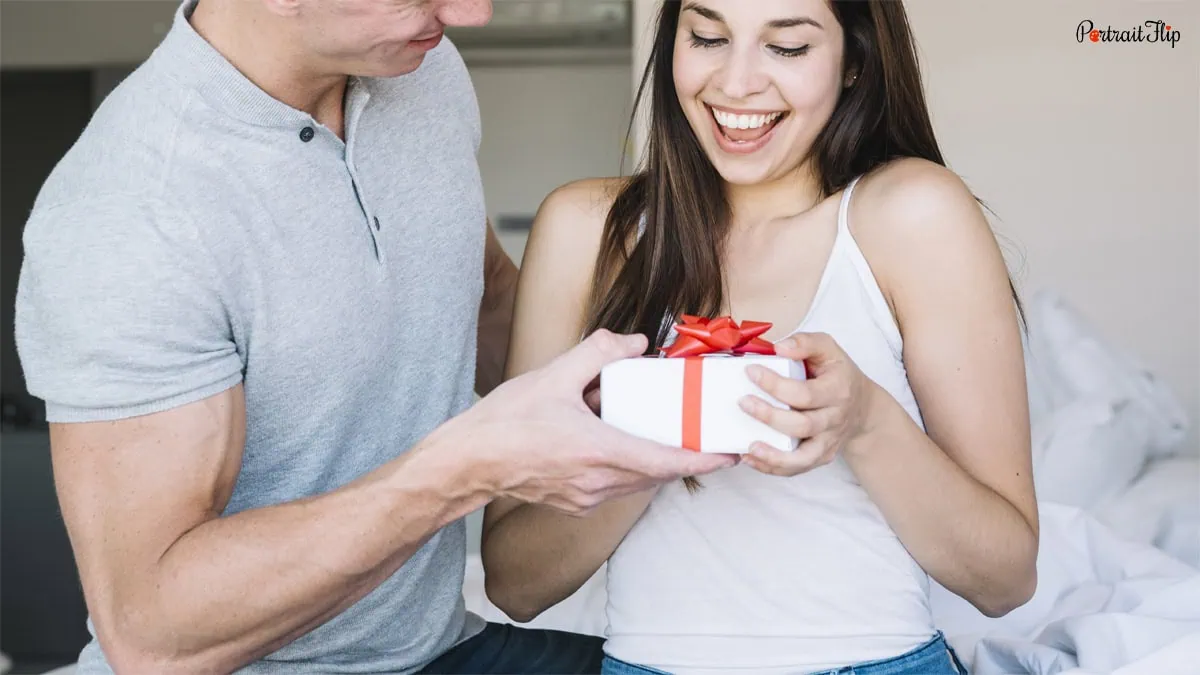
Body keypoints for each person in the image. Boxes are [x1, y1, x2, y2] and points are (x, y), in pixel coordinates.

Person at [12, 0, 739, 673]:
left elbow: (475, 287)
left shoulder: (421, 73)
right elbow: (151, 630)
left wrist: (673, 386)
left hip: (436, 648)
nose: (471, 13)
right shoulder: (131, 211)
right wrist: (463, 471)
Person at [481, 0, 1040, 673]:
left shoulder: (913, 215)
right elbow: (513, 584)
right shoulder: (584, 231)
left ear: (855, 61)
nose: (737, 82)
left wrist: (863, 421)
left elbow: (1006, 579)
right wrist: (653, 436)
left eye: (789, 47)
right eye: (709, 37)